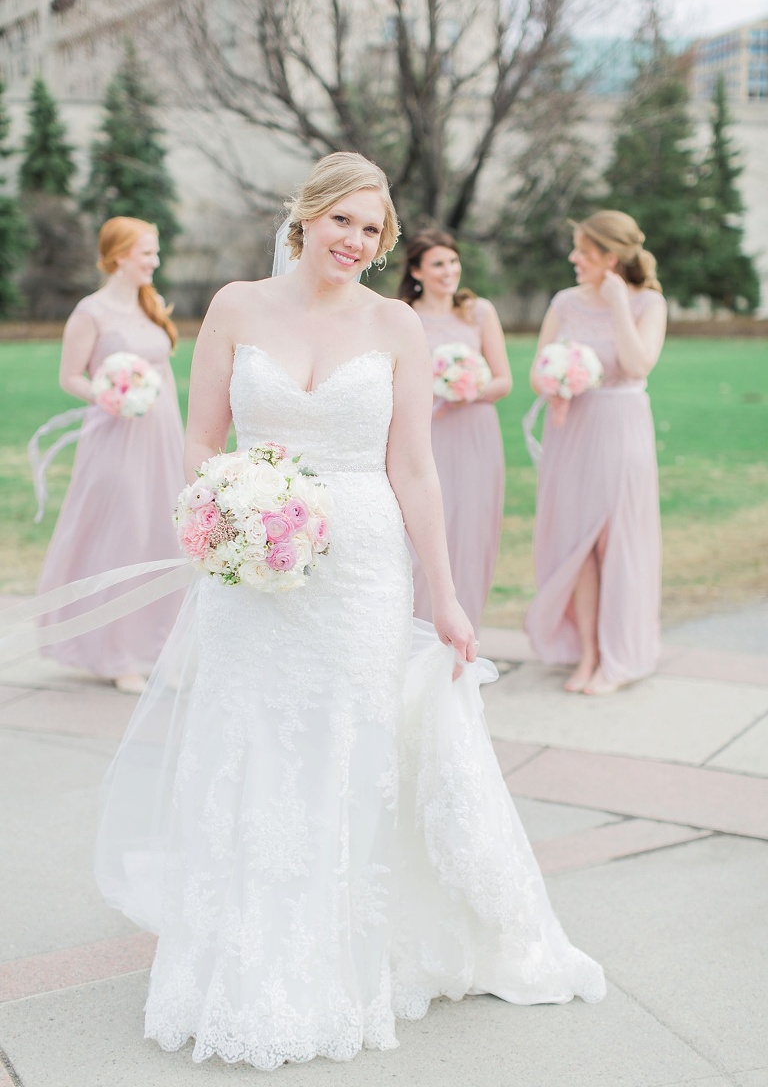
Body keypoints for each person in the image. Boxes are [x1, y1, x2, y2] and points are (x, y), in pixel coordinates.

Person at [94, 153, 605, 1070]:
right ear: (308, 216)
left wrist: (445, 594)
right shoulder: (237, 307)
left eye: (373, 231)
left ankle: (336, 958)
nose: (357, 242)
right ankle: (241, 958)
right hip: (253, 564)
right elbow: (203, 433)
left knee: (345, 748)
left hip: (364, 566)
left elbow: (414, 467)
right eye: (344, 221)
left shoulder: (395, 325)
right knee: (250, 742)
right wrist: (220, 518)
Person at [37, 217, 185, 694]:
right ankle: (116, 652)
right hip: (116, 435)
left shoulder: (151, 304)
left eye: (155, 253)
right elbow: (69, 376)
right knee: (125, 529)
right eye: (147, 253)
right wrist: (110, 396)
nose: (154, 262)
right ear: (120, 255)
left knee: (161, 532)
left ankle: (155, 646)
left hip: (162, 434)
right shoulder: (91, 312)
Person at [526, 210, 667, 695]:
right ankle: (586, 654)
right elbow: (537, 368)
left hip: (620, 429)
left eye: (582, 251)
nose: (572, 258)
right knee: (577, 547)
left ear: (610, 257)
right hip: (571, 432)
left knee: (613, 543)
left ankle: (617, 656)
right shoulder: (564, 302)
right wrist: (557, 380)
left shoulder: (649, 303)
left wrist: (618, 305)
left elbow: (637, 362)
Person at [399, 230, 511, 631]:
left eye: (453, 261)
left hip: (476, 434)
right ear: (416, 271)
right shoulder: (403, 315)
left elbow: (503, 381)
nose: (449, 271)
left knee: (471, 530)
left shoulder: (479, 312)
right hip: (425, 435)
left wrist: (466, 390)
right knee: (424, 532)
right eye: (438, 264)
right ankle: (415, 632)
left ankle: (466, 634)